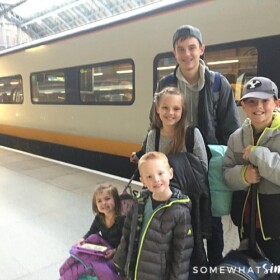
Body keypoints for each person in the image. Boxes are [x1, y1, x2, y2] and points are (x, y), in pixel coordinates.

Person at [133, 24, 240, 268]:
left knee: (210, 221)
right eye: (181, 49)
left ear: (201, 49)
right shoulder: (166, 83)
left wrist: (217, 161)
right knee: (178, 220)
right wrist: (143, 153)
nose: (187, 54)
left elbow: (230, 128)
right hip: (169, 170)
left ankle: (212, 267)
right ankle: (185, 267)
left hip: (206, 163)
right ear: (174, 52)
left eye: (192, 47)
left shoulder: (217, 84)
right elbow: (154, 123)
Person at [223, 76, 280, 265]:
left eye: (265, 100)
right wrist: (243, 176)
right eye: (252, 101)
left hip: (275, 226)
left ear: (276, 103)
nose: (258, 107)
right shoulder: (236, 138)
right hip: (247, 223)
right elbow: (226, 174)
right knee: (251, 268)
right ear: (243, 106)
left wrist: (257, 154)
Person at [113, 151, 194, 280]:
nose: (156, 179)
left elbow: (182, 254)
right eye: (149, 177)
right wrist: (119, 262)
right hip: (134, 272)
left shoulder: (180, 211)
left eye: (160, 173)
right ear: (143, 181)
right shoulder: (138, 203)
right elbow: (127, 234)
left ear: (170, 173)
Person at [131, 86, 208, 170]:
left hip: (188, 183)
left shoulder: (192, 134)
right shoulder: (153, 135)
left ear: (182, 111)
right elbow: (150, 168)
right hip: (160, 183)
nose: (170, 112)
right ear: (157, 109)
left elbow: (203, 168)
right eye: (165, 108)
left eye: (176, 109)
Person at [78, 184, 125, 259]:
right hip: (105, 250)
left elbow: (126, 241)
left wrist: (115, 251)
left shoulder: (122, 220)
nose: (103, 203)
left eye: (107, 199)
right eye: (99, 201)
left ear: (115, 200)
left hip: (120, 254)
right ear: (96, 205)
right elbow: (92, 231)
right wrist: (83, 239)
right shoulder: (99, 218)